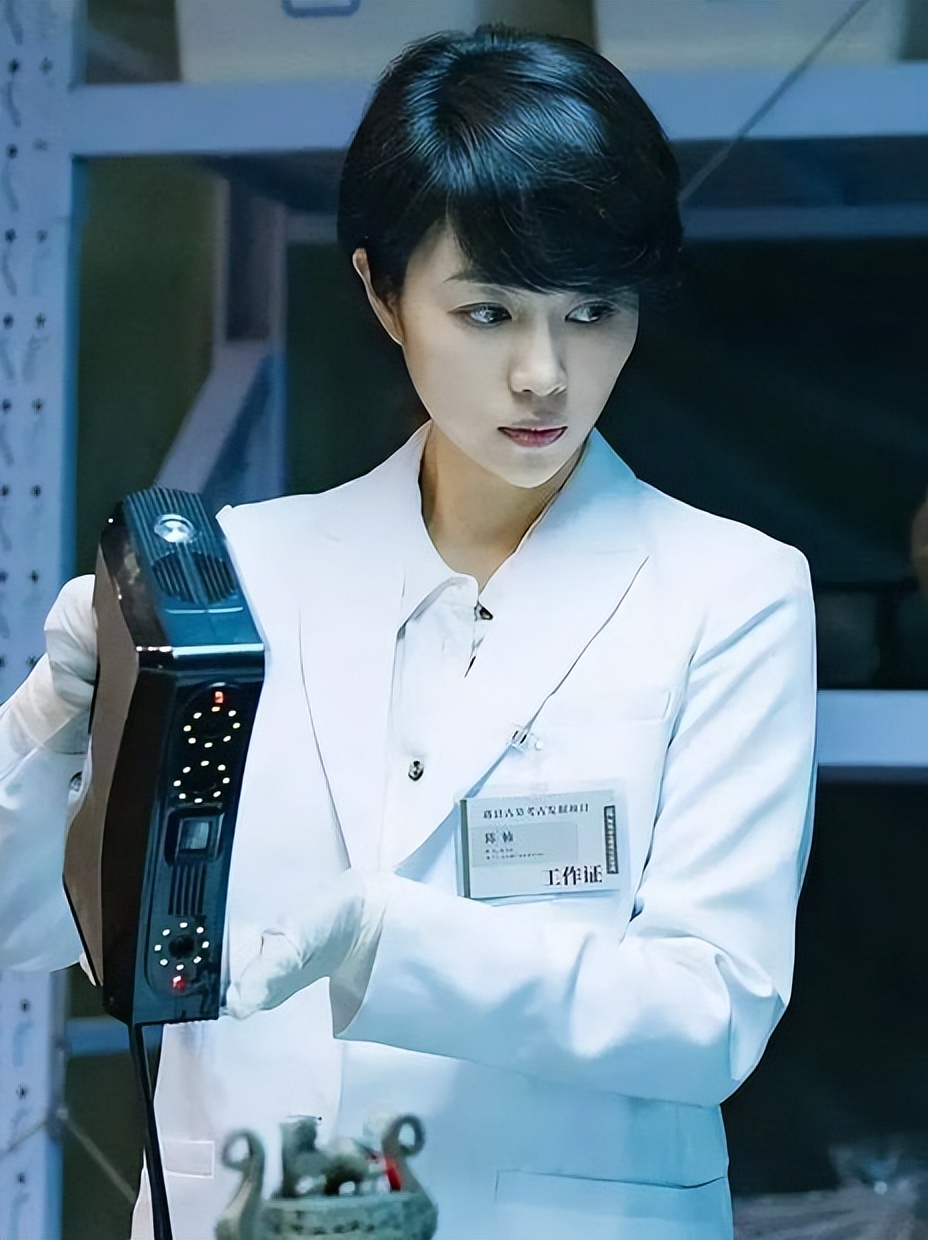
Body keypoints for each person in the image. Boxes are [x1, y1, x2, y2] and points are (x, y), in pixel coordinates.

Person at [0, 24, 817, 1240]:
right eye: (488, 312)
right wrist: (55, 720)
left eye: (591, 309)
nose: (544, 373)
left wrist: (392, 941)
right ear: (382, 293)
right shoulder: (241, 575)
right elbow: (30, 926)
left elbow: (708, 1013)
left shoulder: (729, 592)